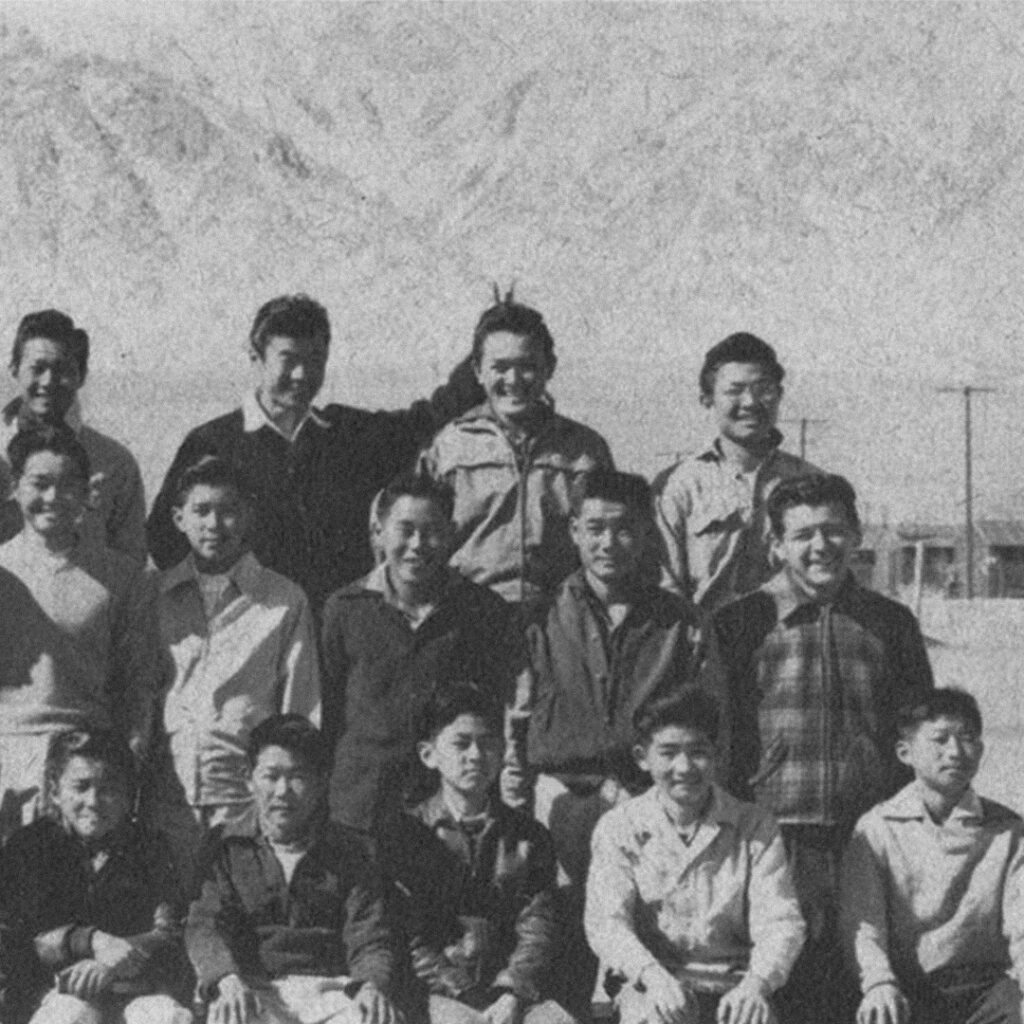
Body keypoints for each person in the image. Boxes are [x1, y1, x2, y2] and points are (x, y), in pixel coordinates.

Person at [700, 473, 934, 1023]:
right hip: (774, 840)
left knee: (866, 990)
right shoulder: (739, 623)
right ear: (776, 544)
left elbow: (917, 735)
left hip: (868, 839)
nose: (820, 545)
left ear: (856, 535)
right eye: (802, 534)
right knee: (780, 989)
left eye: (833, 530)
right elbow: (721, 741)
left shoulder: (891, 624)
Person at [146, 294, 482, 611]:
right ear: (256, 357)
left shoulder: (352, 436)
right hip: (252, 640)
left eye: (315, 360)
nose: (302, 375)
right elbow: (165, 541)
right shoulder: (213, 443)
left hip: (338, 639)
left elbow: (426, 419)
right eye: (289, 360)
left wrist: (486, 351)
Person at [524, 469, 695, 1015]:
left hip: (648, 803)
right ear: (573, 530)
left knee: (647, 953)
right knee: (563, 948)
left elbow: (708, 727)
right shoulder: (538, 614)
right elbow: (516, 712)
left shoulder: (678, 622)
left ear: (645, 533)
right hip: (562, 799)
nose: (608, 543)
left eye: (623, 528)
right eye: (594, 527)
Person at [148, 455, 321, 886]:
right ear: (178, 517)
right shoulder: (153, 596)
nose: (214, 523)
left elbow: (300, 711)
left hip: (243, 805)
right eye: (202, 510)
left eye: (229, 511)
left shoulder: (284, 600)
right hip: (166, 802)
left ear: (248, 517)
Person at [584, 691, 806, 1024]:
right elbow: (607, 923)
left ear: (716, 755)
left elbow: (780, 921)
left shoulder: (754, 826)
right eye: (668, 753)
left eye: (698, 752)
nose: (684, 768)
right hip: (649, 984)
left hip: (733, 983)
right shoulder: (618, 827)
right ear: (643, 758)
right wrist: (653, 976)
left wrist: (756, 985)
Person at [321, 472, 525, 833]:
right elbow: (327, 713)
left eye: (431, 531)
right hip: (359, 812)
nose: (417, 544)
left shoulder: (482, 612)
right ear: (380, 532)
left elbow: (498, 712)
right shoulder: (345, 609)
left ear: (450, 534)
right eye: (405, 529)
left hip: (448, 817)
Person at [0, 427, 163, 841]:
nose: (52, 498)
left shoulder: (122, 577)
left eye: (67, 485)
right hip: (7, 755)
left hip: (87, 766)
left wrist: (125, 770)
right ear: (15, 488)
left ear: (87, 493)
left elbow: (138, 683)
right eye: (39, 484)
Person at [379, 685, 575, 1024]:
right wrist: (464, 994)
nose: (475, 755)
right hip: (434, 994)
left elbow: (538, 925)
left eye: (487, 743)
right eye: (460, 743)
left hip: (514, 994)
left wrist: (512, 990)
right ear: (428, 754)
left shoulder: (529, 836)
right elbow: (409, 936)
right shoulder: (405, 835)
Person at [186, 715, 400, 1024]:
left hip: (330, 993)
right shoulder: (225, 846)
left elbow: (369, 935)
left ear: (320, 782)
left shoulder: (351, 851)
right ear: (249, 778)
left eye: (298, 777)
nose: (283, 791)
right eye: (271, 776)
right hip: (251, 988)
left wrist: (370, 986)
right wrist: (225, 979)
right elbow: (206, 926)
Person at [420, 290, 613, 609]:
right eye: (500, 366)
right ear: (478, 371)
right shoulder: (449, 446)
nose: (513, 379)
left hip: (561, 618)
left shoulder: (584, 450)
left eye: (527, 366)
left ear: (549, 368)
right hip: (468, 617)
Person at [841, 689, 1024, 1024]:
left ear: (980, 749)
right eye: (940, 739)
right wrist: (879, 983)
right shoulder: (876, 829)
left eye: (967, 738)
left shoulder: (1010, 831)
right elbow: (863, 926)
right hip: (907, 990)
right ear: (905, 752)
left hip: (987, 991)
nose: (955, 752)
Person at [0, 728, 191, 1024]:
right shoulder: (29, 847)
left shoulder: (150, 848)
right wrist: (90, 941)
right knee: (72, 1017)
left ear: (129, 796)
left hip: (135, 989)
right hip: (54, 993)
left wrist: (117, 960)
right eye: (81, 786)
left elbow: (170, 932)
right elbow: (17, 936)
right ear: (54, 791)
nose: (93, 801)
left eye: (109, 789)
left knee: (167, 1017)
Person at [653, 332, 819, 616]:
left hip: (792, 648)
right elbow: (664, 586)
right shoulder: (678, 485)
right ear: (707, 399)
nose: (751, 402)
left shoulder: (812, 482)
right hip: (708, 646)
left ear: (779, 395)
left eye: (763, 388)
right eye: (734, 390)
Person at [0, 309, 147, 562]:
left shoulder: (115, 463)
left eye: (62, 370)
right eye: (38, 368)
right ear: (14, 369)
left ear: (81, 376)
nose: (48, 381)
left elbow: (131, 565)